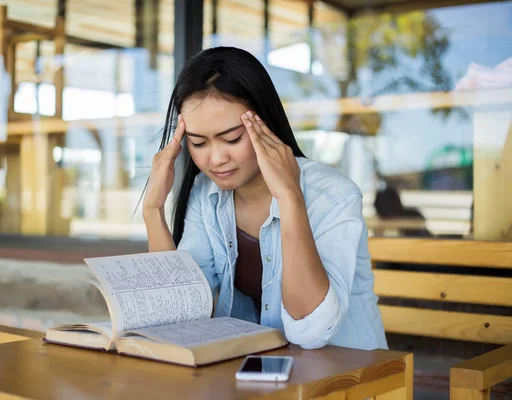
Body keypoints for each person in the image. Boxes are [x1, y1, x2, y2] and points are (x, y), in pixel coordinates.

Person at [142, 47, 387, 350]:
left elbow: (312, 333)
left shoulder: (332, 196)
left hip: (353, 378)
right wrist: (153, 210)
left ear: (265, 122)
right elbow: (179, 313)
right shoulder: (206, 194)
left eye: (232, 139)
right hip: (260, 376)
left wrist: (289, 196)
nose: (216, 158)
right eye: (199, 142)